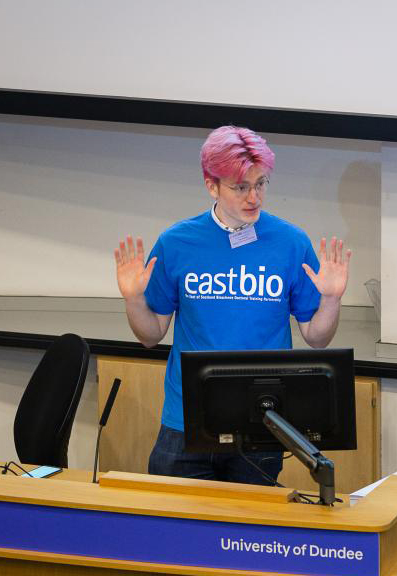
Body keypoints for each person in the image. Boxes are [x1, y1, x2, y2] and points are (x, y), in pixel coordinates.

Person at [113, 125, 350, 485]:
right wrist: (133, 300)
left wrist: (331, 300)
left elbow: (317, 339)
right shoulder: (177, 242)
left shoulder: (291, 243)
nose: (253, 197)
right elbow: (151, 335)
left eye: (261, 183)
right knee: (176, 534)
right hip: (186, 421)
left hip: (262, 421)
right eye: (241, 187)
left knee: (249, 537)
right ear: (211, 185)